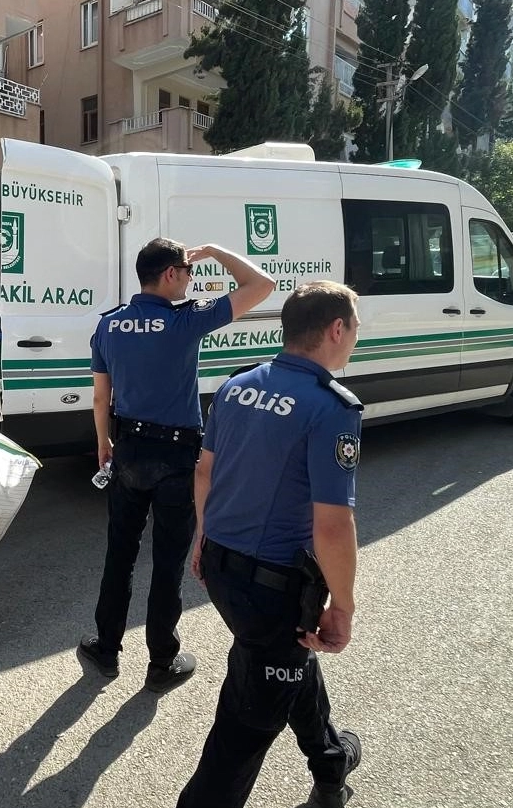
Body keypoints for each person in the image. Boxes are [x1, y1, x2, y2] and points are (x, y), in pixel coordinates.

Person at [178, 281, 364, 808]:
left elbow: (205, 472)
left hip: (222, 568)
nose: (356, 337)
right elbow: (333, 524)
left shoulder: (237, 385)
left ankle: (330, 767)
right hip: (271, 584)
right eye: (355, 328)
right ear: (336, 329)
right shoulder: (331, 407)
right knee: (244, 725)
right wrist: (343, 606)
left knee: (285, 653)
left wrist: (202, 536)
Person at [78, 237, 275, 693]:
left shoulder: (109, 325)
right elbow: (261, 285)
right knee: (167, 562)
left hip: (128, 450)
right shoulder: (185, 319)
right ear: (170, 274)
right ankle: (161, 661)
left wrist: (104, 442)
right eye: (187, 271)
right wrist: (217, 251)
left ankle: (106, 649)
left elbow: (100, 397)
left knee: (120, 553)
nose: (190, 279)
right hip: (176, 455)